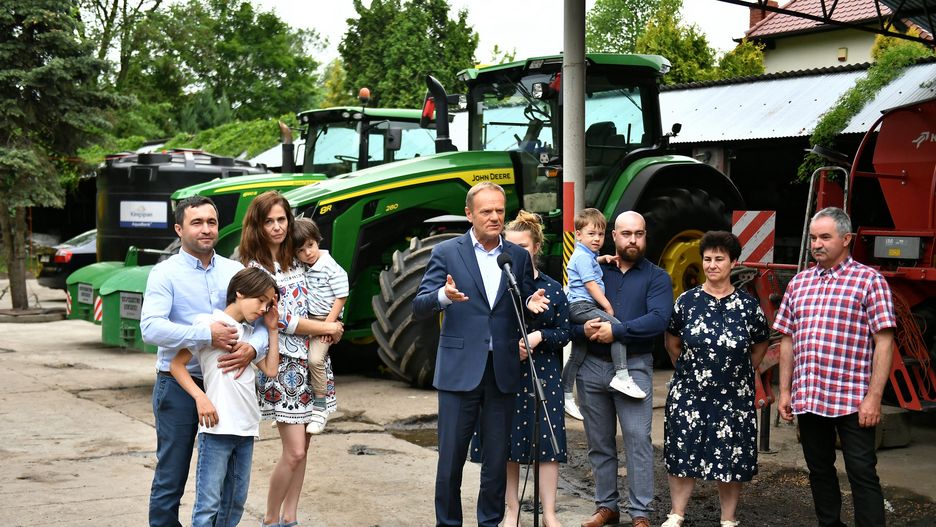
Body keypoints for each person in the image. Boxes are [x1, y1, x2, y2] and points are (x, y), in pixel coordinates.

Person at [412, 182, 550, 527]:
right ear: (469, 214)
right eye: (486, 211)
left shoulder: (516, 257)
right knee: (451, 461)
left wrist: (530, 306)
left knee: (496, 460)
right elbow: (419, 305)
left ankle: (490, 522)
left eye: (499, 210)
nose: (494, 217)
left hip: (502, 369)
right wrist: (443, 296)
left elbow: (522, 301)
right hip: (460, 371)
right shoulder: (447, 252)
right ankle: (448, 523)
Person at [141, 195, 269, 527]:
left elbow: (263, 321)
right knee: (172, 474)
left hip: (227, 387)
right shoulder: (164, 274)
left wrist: (253, 348)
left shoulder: (235, 271)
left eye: (211, 222)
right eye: (197, 222)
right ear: (179, 228)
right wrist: (205, 336)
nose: (206, 229)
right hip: (181, 386)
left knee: (224, 482)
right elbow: (150, 327)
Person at [774, 207, 896, 527]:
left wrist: (874, 397)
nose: (817, 244)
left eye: (825, 237)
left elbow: (884, 342)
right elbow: (787, 339)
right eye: (813, 237)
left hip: (853, 399)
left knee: (862, 473)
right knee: (819, 470)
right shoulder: (799, 283)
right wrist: (785, 391)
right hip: (810, 396)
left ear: (846, 239)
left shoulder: (870, 281)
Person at [238, 191, 345, 527]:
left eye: (281, 219)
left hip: (311, 358)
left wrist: (333, 323)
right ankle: (270, 519)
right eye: (268, 221)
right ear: (257, 225)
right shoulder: (254, 268)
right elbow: (280, 319)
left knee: (303, 450)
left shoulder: (299, 257)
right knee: (294, 450)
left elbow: (330, 287)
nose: (276, 227)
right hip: (281, 363)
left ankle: (291, 517)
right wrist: (327, 325)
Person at [468, 210, 571, 527]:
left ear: (536, 247)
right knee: (507, 443)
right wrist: (510, 345)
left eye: (523, 246)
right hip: (505, 372)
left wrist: (539, 336)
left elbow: (565, 332)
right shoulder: (495, 289)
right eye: (510, 245)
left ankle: (550, 513)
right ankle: (511, 509)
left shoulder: (552, 288)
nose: (516, 252)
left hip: (544, 375)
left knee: (547, 445)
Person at [661, 231, 769, 527]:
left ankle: (728, 518)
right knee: (683, 450)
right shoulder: (687, 301)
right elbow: (672, 342)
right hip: (689, 392)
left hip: (733, 395)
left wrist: (740, 371)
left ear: (733, 262)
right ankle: (677, 513)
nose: (711, 265)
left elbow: (760, 344)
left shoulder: (748, 307)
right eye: (707, 258)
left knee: (731, 457)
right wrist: (688, 371)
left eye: (719, 259)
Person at [574, 211, 673, 527]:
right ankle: (607, 506)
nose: (633, 239)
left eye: (639, 233)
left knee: (637, 441)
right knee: (599, 443)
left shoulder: (657, 277)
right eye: (626, 233)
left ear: (645, 236)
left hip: (634, 367)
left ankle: (640, 513)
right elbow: (571, 310)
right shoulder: (597, 269)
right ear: (613, 236)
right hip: (591, 366)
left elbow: (658, 320)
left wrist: (616, 331)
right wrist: (584, 331)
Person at [169, 267, 281, 527]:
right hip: (217, 429)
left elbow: (272, 370)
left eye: (269, 303)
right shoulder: (209, 325)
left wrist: (272, 330)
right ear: (240, 292)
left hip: (247, 428)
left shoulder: (252, 335)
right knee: (207, 506)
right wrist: (201, 397)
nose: (264, 308)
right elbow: (176, 365)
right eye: (261, 300)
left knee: (235, 503)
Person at [562, 208, 645, 423]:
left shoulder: (587, 255)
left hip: (578, 306)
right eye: (591, 234)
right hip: (582, 305)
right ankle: (622, 375)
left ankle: (565, 394)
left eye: (600, 234)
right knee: (616, 327)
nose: (597, 239)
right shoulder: (581, 256)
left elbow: (588, 264)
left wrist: (604, 258)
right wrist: (607, 306)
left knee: (578, 352)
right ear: (578, 235)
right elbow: (590, 285)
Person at [292, 217, 349, 435]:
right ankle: (294, 408)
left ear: (317, 241)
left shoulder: (330, 267)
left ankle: (320, 406)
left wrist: (329, 325)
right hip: (308, 320)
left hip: (325, 319)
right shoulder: (303, 267)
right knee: (294, 359)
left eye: (310, 245)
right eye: (300, 250)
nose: (307, 252)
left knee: (315, 360)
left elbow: (341, 296)